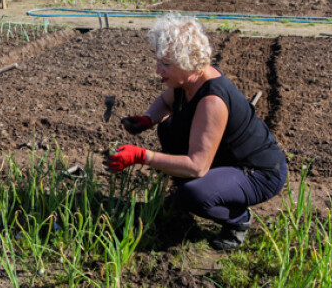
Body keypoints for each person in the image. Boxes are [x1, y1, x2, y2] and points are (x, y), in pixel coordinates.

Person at [107, 19, 286, 250]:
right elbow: (165, 101)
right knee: (168, 128)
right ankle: (192, 193)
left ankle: (238, 220)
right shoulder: (187, 82)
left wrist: (142, 156)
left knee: (195, 195)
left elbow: (197, 166)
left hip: (258, 173)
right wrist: (148, 118)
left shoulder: (212, 100)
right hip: (226, 159)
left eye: (166, 64)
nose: (158, 70)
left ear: (189, 62)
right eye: (159, 61)